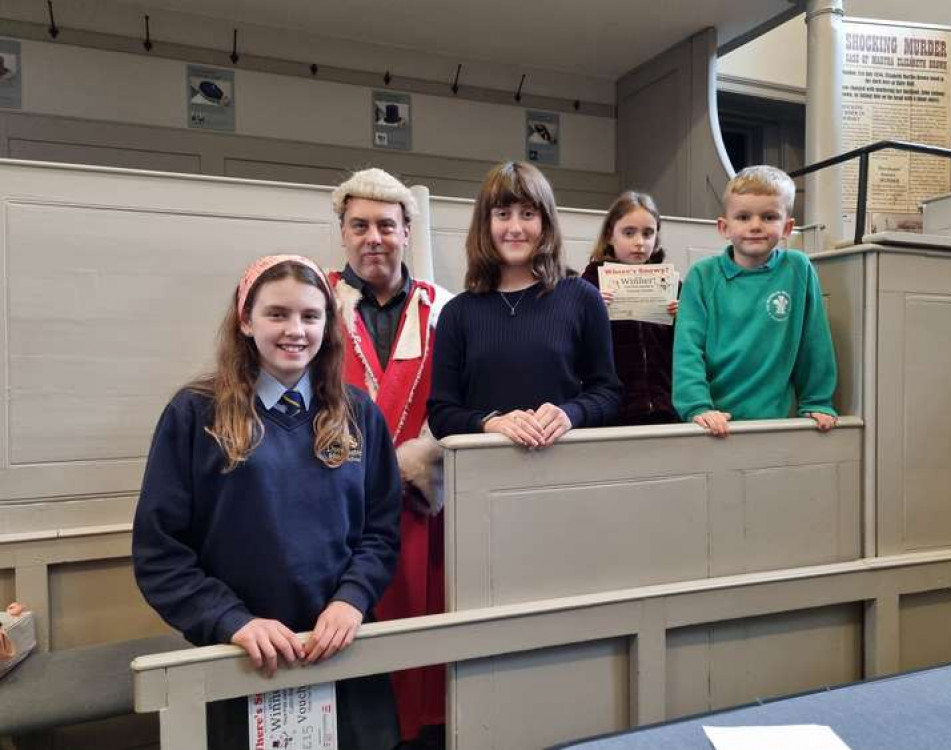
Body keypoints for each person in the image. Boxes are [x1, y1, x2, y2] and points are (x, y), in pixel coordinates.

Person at [132, 255, 401, 750]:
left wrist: (353, 599)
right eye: (277, 314)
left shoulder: (358, 413)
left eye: (310, 316)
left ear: (328, 324)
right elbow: (160, 553)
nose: (295, 330)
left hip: (340, 650)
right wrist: (232, 621)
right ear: (245, 319)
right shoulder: (194, 414)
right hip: (242, 659)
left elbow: (381, 531)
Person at [327, 168, 451, 749]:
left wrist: (420, 461)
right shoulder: (315, 304)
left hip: (423, 514)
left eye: (386, 224)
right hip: (335, 517)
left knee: (422, 655)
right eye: (360, 225)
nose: (372, 236)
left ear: (407, 230)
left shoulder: (445, 309)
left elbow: (460, 400)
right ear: (344, 233)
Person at [429, 161, 622, 445]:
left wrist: (570, 414)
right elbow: (441, 414)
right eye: (503, 214)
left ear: (545, 224)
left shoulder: (582, 298)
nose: (516, 228)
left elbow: (608, 393)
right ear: (486, 224)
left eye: (528, 214)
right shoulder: (457, 313)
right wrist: (490, 423)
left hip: (566, 470)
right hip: (483, 476)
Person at [672, 165, 838, 437]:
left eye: (769, 216)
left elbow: (815, 341)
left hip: (775, 423)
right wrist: (697, 407)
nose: (756, 226)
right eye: (743, 217)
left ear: (787, 227)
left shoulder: (798, 268)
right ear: (724, 227)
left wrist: (817, 401)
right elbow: (687, 350)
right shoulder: (702, 276)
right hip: (711, 422)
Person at [581, 191, 682, 426]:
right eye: (629, 233)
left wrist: (682, 319)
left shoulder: (672, 286)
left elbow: (686, 350)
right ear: (610, 235)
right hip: (612, 412)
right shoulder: (587, 287)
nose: (639, 242)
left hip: (664, 408)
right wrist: (592, 312)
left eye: (648, 233)